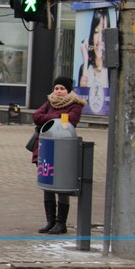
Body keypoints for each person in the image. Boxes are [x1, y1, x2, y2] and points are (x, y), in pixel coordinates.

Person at [32, 76, 86, 234]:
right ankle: (50, 221)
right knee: (47, 184)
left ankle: (61, 222)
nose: (59, 91)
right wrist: (56, 117)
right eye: (56, 88)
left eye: (62, 88)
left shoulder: (75, 104)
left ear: (68, 90)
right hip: (46, 148)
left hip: (63, 150)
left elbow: (71, 121)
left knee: (62, 186)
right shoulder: (49, 102)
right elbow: (36, 117)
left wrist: (48, 119)